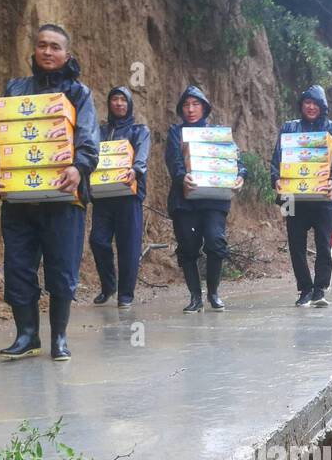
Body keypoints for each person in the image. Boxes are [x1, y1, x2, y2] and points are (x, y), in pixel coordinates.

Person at [0, 24, 99, 361]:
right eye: (42, 45)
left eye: (55, 47)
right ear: (33, 50)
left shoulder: (79, 94)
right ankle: (27, 335)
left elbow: (90, 139)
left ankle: (59, 337)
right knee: (18, 265)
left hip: (65, 198)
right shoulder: (15, 89)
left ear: (67, 55)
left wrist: (78, 167)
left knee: (61, 266)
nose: (48, 52)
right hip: (20, 198)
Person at [164, 85, 245, 313]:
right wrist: (182, 177)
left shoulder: (217, 134)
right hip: (184, 201)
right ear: (181, 109)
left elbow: (236, 159)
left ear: (205, 108)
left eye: (195, 104)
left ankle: (213, 293)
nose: (190, 109)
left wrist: (240, 176)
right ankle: (194, 297)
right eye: (186, 105)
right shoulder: (175, 132)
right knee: (188, 247)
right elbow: (173, 160)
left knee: (215, 242)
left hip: (214, 201)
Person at [270, 85, 332, 307]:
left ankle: (320, 290)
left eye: (315, 103)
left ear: (323, 106)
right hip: (291, 199)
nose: (311, 107)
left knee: (324, 243)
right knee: (295, 244)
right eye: (307, 103)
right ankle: (304, 289)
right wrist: (276, 178)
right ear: (301, 105)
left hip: (326, 197)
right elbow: (277, 158)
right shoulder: (289, 128)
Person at [89, 86, 150, 309]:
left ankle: (126, 294)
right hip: (103, 196)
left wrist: (136, 170)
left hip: (129, 195)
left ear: (130, 104)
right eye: (114, 99)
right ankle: (108, 286)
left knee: (129, 246)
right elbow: (89, 151)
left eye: (123, 100)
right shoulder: (100, 131)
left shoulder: (138, 131)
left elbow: (142, 154)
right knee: (98, 240)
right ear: (109, 104)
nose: (119, 104)